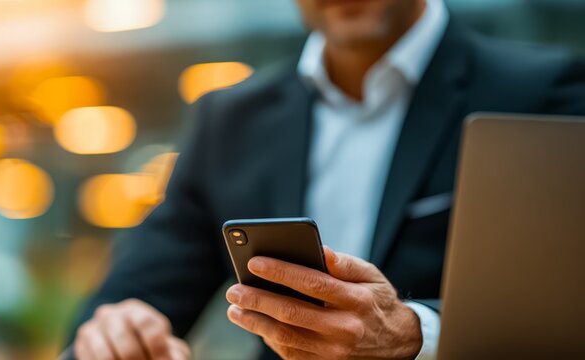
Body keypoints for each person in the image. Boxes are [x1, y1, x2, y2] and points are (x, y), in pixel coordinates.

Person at [67, 0, 585, 359]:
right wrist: (114, 331)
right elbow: (134, 298)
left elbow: (564, 312)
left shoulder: (544, 93)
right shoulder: (231, 121)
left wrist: (415, 335)